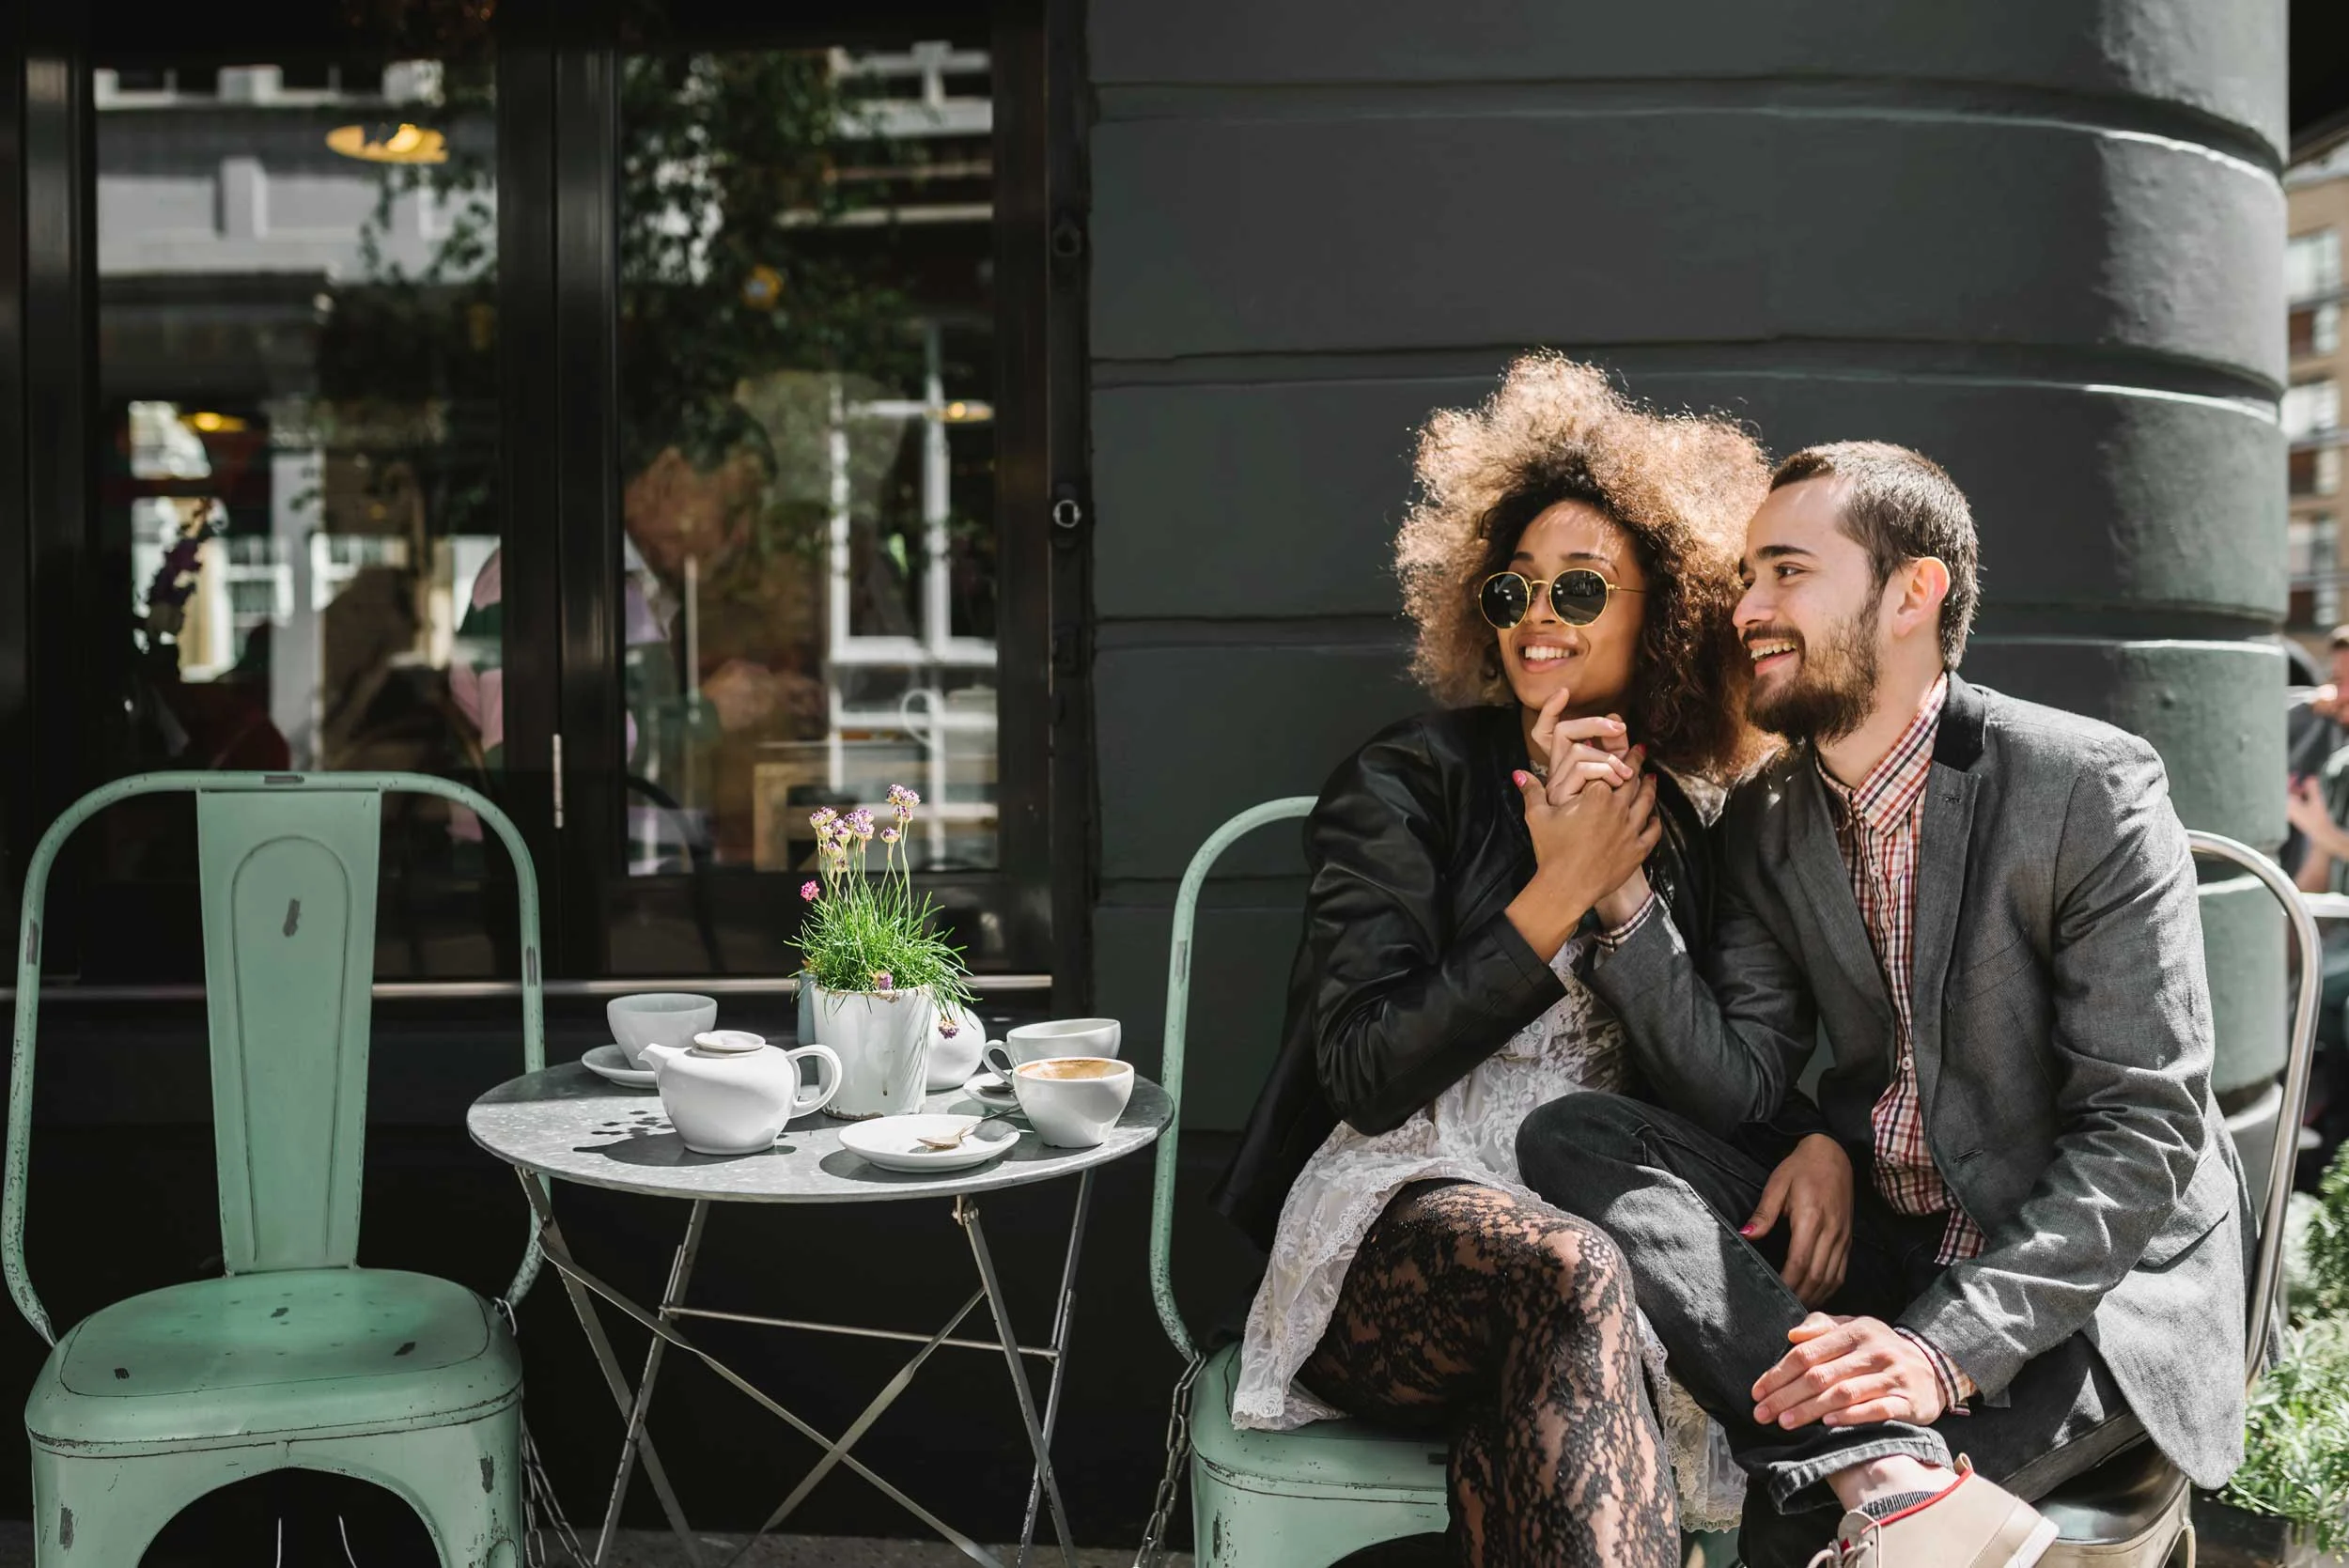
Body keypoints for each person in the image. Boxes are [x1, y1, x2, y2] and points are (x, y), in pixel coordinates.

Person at [1517, 442, 2247, 1568]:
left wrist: (1943, 1350)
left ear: (1913, 592)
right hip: (1884, 1248)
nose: (1748, 607)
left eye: (1787, 572)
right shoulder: (1768, 815)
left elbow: (2142, 1130)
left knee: (1799, 1529)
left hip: (2071, 1287)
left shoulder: (2083, 786)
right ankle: (1890, 1469)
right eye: (1747, 574)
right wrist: (1614, 893)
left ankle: (1873, 1473)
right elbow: (1739, 1083)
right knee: (1573, 1133)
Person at [1213, 355, 1859, 1565]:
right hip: (1398, 1222)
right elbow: (1362, 1071)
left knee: (1576, 1303)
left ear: (1660, 609)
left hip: (1596, 1207)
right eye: (1513, 593)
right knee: (1569, 1274)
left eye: (1577, 588)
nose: (1538, 622)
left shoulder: (1705, 828)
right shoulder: (1405, 784)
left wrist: (1621, 897)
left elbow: (1729, 1095)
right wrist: (1553, 891)